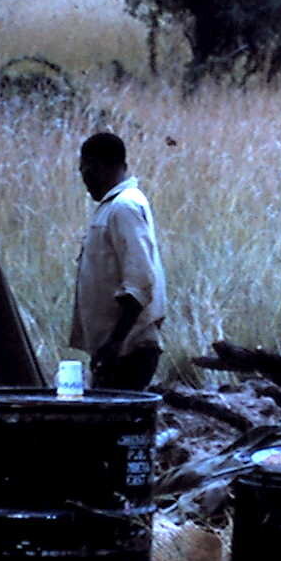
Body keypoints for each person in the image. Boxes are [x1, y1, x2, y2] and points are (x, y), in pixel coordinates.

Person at [69, 132, 168, 392]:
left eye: (85, 171)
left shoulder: (124, 207)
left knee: (116, 427)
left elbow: (139, 282)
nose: (84, 180)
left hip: (129, 349)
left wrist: (115, 342)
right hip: (116, 349)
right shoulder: (112, 206)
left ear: (97, 168)